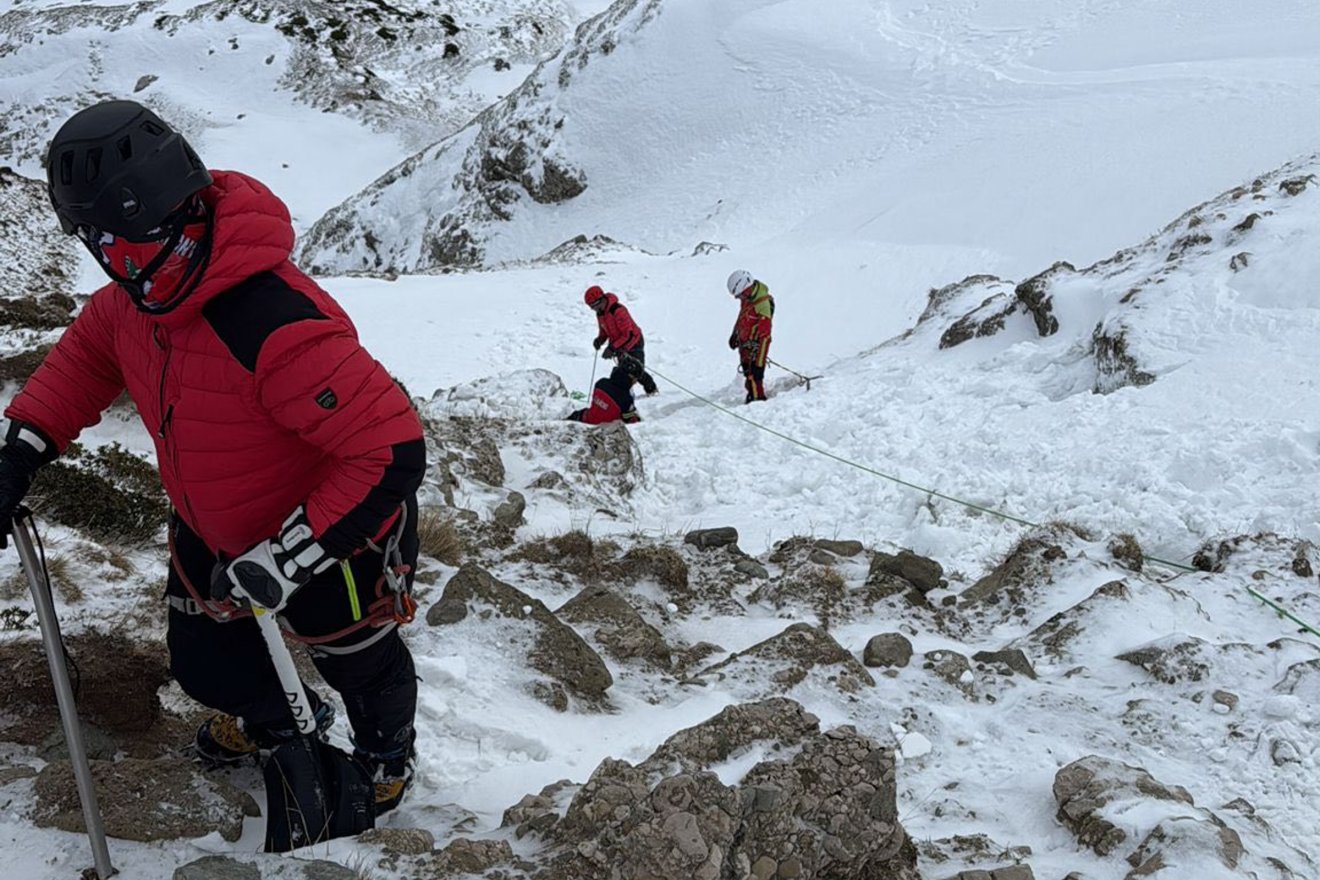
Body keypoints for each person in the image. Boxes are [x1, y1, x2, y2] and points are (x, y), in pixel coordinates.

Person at [0, 100, 426, 816]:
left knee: (357, 658)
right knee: (202, 661)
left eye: (114, 240)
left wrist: (290, 560)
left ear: (159, 220)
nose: (108, 260)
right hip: (212, 526)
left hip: (335, 535)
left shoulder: (269, 321)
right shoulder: (136, 300)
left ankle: (386, 759)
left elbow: (390, 448)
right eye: (95, 243)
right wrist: (19, 450)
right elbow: (81, 365)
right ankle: (280, 721)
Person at [585, 284, 657, 395]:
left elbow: (627, 335)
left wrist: (612, 347)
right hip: (619, 345)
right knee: (624, 371)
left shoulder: (618, 310)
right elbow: (604, 332)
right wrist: (599, 340)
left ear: (601, 300)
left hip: (634, 342)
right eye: (591, 307)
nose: (594, 309)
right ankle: (624, 394)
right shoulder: (600, 314)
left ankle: (652, 390)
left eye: (594, 306)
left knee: (635, 370)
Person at [726, 269, 775, 402]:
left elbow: (765, 336)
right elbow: (743, 315)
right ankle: (751, 393)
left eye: (740, 295)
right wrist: (735, 333)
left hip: (756, 346)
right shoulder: (748, 298)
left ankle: (757, 400)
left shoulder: (762, 304)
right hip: (745, 343)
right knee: (748, 372)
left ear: (746, 287)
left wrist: (759, 364)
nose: (739, 298)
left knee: (754, 375)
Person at [567, 369, 641, 425]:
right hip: (605, 429)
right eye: (635, 379)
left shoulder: (601, 383)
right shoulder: (626, 399)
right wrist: (635, 416)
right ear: (629, 377)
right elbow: (627, 418)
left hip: (587, 419)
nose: (635, 382)